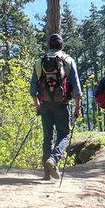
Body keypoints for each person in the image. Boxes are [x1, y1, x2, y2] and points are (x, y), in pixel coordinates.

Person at [30, 33, 82, 180]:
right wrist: (77, 109)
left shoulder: (39, 62)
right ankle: (54, 159)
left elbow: (33, 89)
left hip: (45, 105)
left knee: (47, 138)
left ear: (48, 46)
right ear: (62, 46)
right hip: (62, 105)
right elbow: (77, 89)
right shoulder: (68, 61)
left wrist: (37, 106)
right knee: (64, 134)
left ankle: (47, 173)